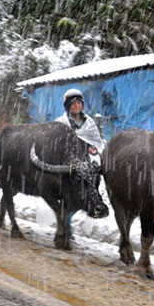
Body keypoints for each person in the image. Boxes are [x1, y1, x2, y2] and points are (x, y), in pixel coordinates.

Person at [55, 88, 105, 239]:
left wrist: (93, 150)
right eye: (73, 103)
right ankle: (66, 228)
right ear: (67, 106)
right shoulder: (61, 123)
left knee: (84, 195)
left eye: (79, 103)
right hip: (69, 164)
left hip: (86, 165)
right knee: (68, 197)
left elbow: (97, 142)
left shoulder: (89, 123)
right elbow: (56, 144)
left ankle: (69, 222)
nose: (77, 106)